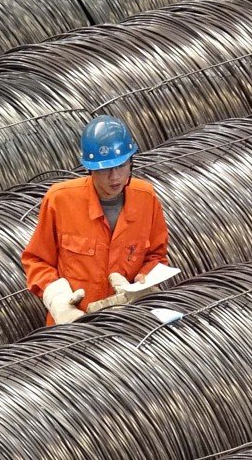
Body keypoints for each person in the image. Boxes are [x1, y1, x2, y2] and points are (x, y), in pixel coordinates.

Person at [22, 115, 170, 325]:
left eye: (121, 165)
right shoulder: (60, 200)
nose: (115, 177)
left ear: (131, 161)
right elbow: (36, 260)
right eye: (105, 169)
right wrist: (58, 300)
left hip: (126, 322)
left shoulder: (146, 198)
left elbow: (156, 255)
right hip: (73, 325)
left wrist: (144, 279)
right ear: (89, 168)